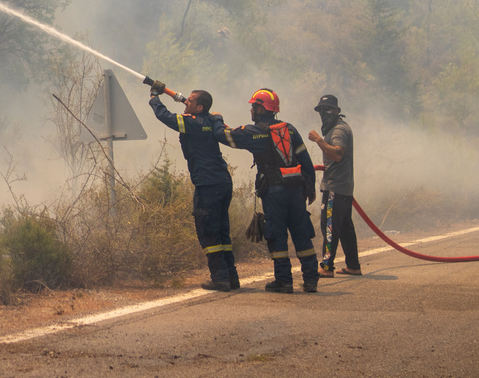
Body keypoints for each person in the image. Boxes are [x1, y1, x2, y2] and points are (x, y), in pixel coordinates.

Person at [223, 88, 319, 293]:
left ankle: (284, 281)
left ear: (260, 108)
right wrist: (310, 188)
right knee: (301, 233)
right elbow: (306, 161)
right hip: (297, 191)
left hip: (275, 193)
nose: (251, 110)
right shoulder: (290, 129)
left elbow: (229, 138)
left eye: (253, 106)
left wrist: (214, 120)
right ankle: (311, 279)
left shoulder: (257, 131)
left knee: (276, 235)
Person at [146, 81, 239, 292]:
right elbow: (185, 113)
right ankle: (231, 277)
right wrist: (170, 94)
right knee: (222, 231)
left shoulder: (193, 123)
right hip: (222, 182)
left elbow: (165, 116)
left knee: (208, 231)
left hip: (208, 185)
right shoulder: (206, 121)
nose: (186, 101)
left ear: (199, 107)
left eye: (191, 100)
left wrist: (154, 96)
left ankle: (220, 279)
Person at [307, 94, 362, 277]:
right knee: (345, 227)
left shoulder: (338, 130)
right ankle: (353, 265)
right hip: (343, 187)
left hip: (335, 188)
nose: (324, 114)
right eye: (321, 111)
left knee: (329, 226)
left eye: (328, 110)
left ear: (337, 111)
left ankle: (327, 267)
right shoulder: (337, 128)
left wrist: (318, 141)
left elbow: (337, 154)